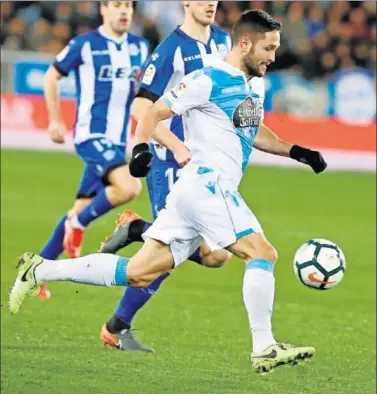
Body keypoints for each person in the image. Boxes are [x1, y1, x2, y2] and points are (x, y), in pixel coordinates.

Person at [9, 10, 327, 374]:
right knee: (262, 253)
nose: (274, 56)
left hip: (194, 194)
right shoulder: (207, 79)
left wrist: (298, 152)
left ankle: (39, 270)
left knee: (139, 272)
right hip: (208, 185)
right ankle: (264, 346)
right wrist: (143, 148)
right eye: (268, 48)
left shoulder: (254, 83)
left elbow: (253, 131)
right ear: (245, 44)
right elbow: (149, 112)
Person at [99, 1, 234, 351]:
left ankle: (138, 229)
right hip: (170, 159)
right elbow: (141, 108)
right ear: (185, 3)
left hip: (205, 161)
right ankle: (116, 327)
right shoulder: (171, 50)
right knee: (170, 251)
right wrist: (175, 146)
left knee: (218, 255)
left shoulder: (224, 42)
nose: (209, 4)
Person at [37, 1, 149, 298]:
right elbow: (52, 76)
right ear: (103, 9)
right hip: (91, 135)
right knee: (128, 187)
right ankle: (79, 224)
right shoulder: (85, 45)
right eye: (116, 5)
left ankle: (35, 272)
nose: (123, 10)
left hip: (117, 141)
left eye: (128, 5)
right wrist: (55, 120)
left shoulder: (139, 47)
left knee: (81, 206)